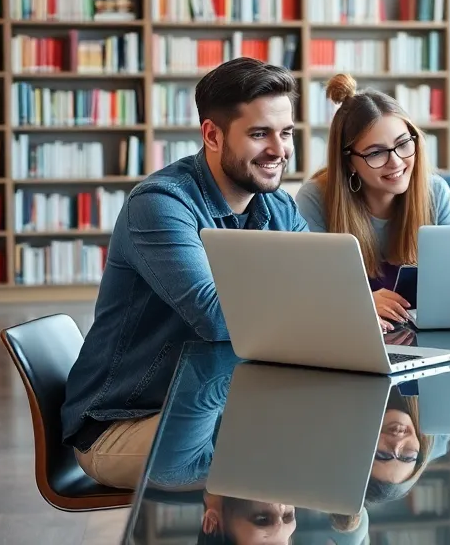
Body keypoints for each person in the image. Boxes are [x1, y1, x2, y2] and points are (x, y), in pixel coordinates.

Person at [61, 58, 310, 490]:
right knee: (294, 458)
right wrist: (313, 307)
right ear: (212, 135)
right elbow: (215, 318)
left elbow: (324, 289)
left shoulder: (279, 207)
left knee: (328, 434)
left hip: (219, 405)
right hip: (125, 423)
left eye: (285, 132)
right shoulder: (159, 203)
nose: (279, 150)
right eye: (259, 134)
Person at [296, 75, 450, 326]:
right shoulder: (315, 198)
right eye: (376, 153)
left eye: (403, 144)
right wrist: (359, 302)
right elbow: (305, 290)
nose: (396, 162)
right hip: (352, 335)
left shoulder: (435, 191)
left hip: (425, 335)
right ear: (348, 163)